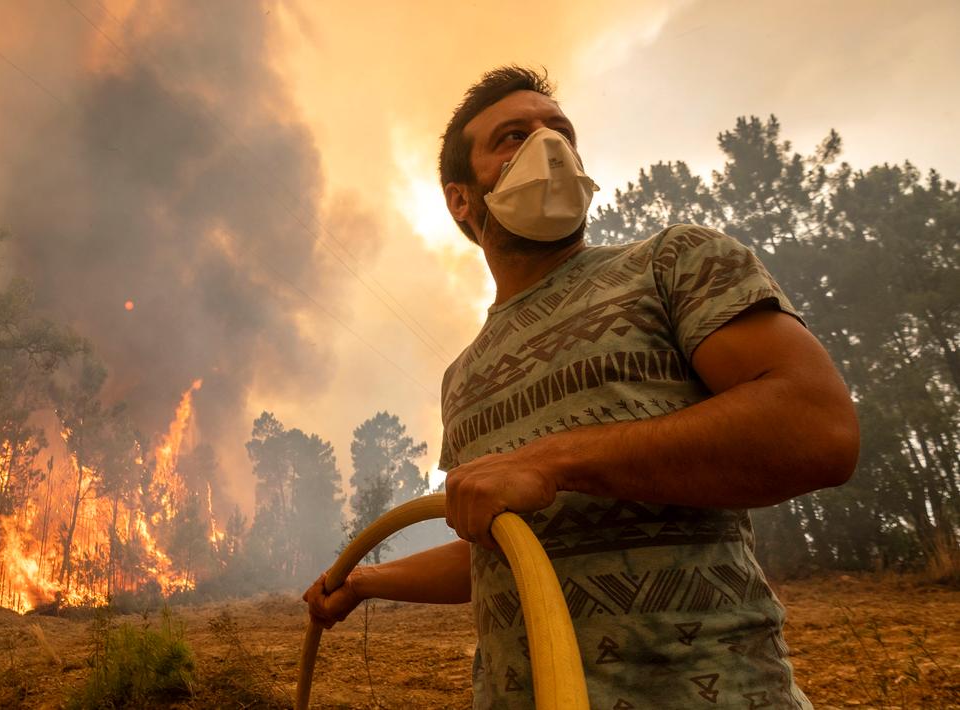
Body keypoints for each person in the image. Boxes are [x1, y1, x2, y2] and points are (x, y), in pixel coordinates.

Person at [303, 66, 858, 709]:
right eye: (513, 136)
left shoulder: (672, 261)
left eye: (559, 131)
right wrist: (369, 581)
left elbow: (821, 428)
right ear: (461, 200)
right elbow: (504, 545)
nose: (547, 145)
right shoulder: (463, 377)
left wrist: (555, 459)